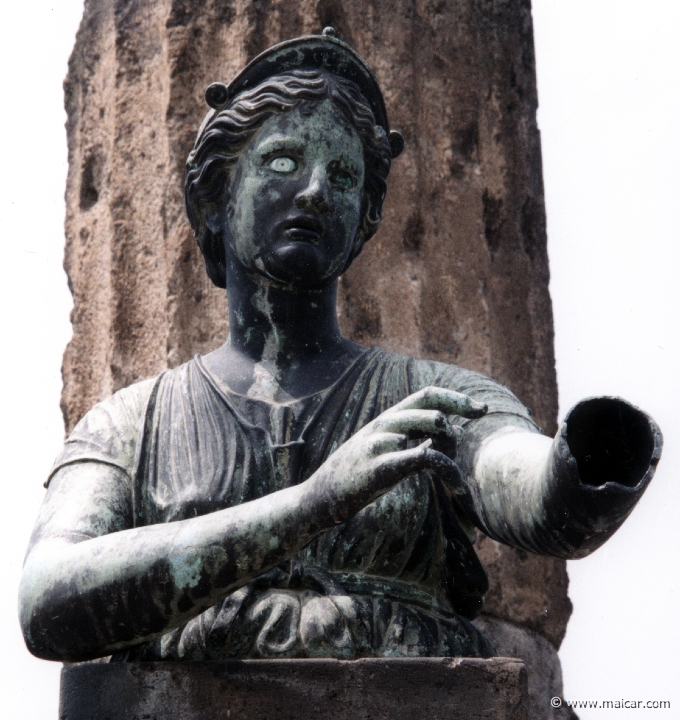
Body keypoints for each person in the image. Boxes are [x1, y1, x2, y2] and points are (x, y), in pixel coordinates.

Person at [19, 30, 661, 664]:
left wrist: (577, 471)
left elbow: (526, 485)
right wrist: (310, 505)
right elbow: (47, 601)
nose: (317, 189)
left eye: (344, 174)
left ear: (364, 222)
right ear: (216, 200)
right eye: (282, 162)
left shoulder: (437, 400)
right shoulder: (130, 426)